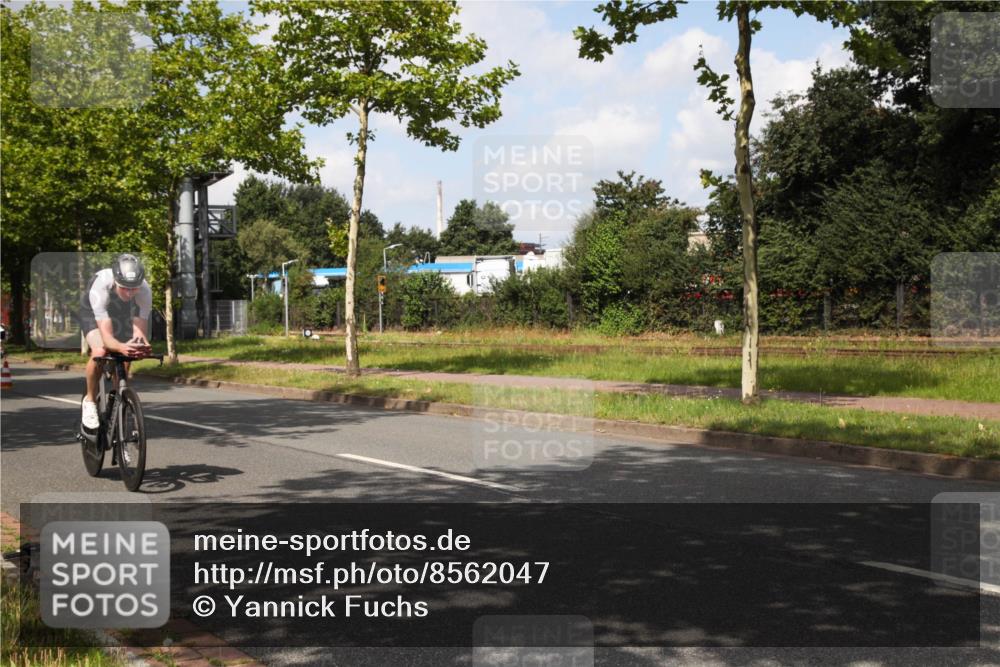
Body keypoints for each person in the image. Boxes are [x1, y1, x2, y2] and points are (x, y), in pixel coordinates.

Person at [79, 254, 152, 430]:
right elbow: (107, 338)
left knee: (127, 356)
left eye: (133, 288)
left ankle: (119, 398)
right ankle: (89, 400)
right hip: (93, 311)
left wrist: (141, 345)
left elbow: (139, 333)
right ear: (115, 280)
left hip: (121, 311)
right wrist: (120, 346)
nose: (129, 292)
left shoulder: (144, 290)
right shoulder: (100, 288)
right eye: (124, 288)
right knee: (100, 351)